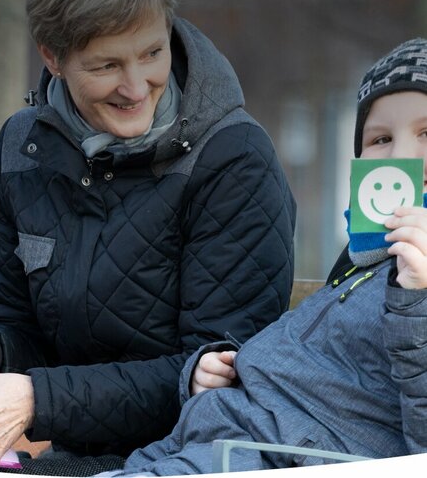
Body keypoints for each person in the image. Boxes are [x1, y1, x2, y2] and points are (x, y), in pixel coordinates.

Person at [0, 0, 296, 471]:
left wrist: (38, 400)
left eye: (152, 53)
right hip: (76, 456)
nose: (136, 87)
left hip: (193, 456)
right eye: (106, 66)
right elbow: (20, 326)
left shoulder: (232, 159)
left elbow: (218, 378)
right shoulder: (22, 152)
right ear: (53, 58)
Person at [104, 38, 427, 476]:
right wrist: (208, 371)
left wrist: (419, 300)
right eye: (381, 138)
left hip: (276, 457)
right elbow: (306, 358)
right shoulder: (362, 265)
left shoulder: (414, 283)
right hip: (211, 436)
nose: (402, 155)